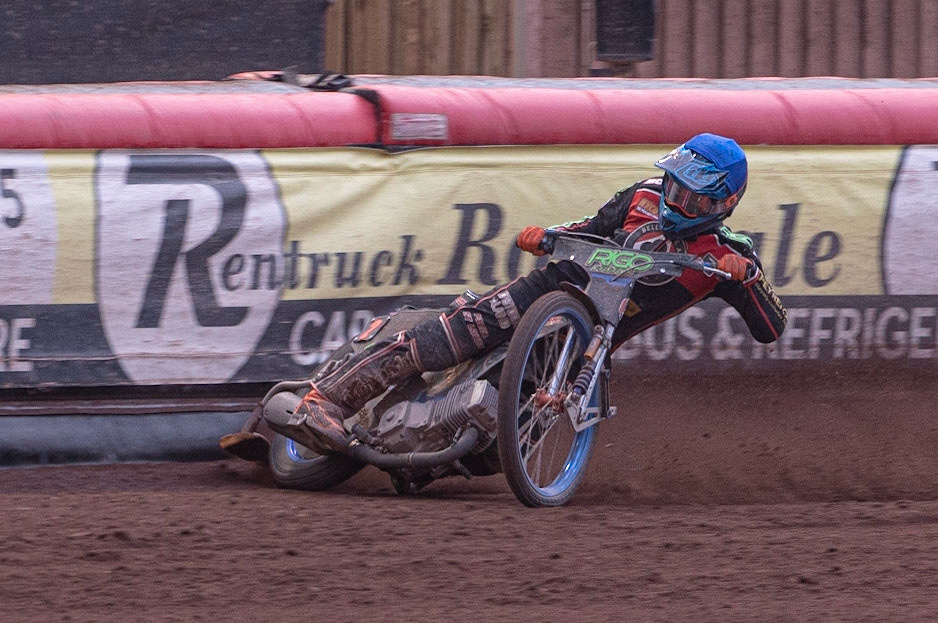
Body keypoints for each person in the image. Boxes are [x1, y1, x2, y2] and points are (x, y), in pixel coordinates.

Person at [265, 133, 788, 454]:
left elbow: (771, 328)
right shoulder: (642, 197)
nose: (676, 199)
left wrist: (747, 277)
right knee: (460, 332)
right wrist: (546, 234)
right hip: (556, 287)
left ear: (726, 200)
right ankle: (323, 401)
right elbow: (588, 225)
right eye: (673, 186)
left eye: (692, 197)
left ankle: (425, 460)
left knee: (508, 438)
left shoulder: (728, 251)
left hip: (590, 342)